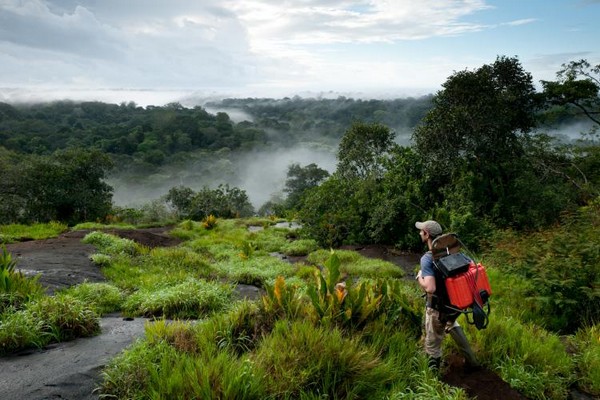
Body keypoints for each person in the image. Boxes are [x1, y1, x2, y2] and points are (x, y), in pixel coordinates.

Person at [414, 220, 480, 372]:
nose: (419, 233)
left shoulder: (427, 258)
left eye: (421, 231)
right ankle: (472, 361)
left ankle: (432, 377)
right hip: (455, 306)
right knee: (452, 324)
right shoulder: (454, 252)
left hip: (438, 308)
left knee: (432, 343)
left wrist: (419, 278)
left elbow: (430, 288)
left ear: (427, 234)